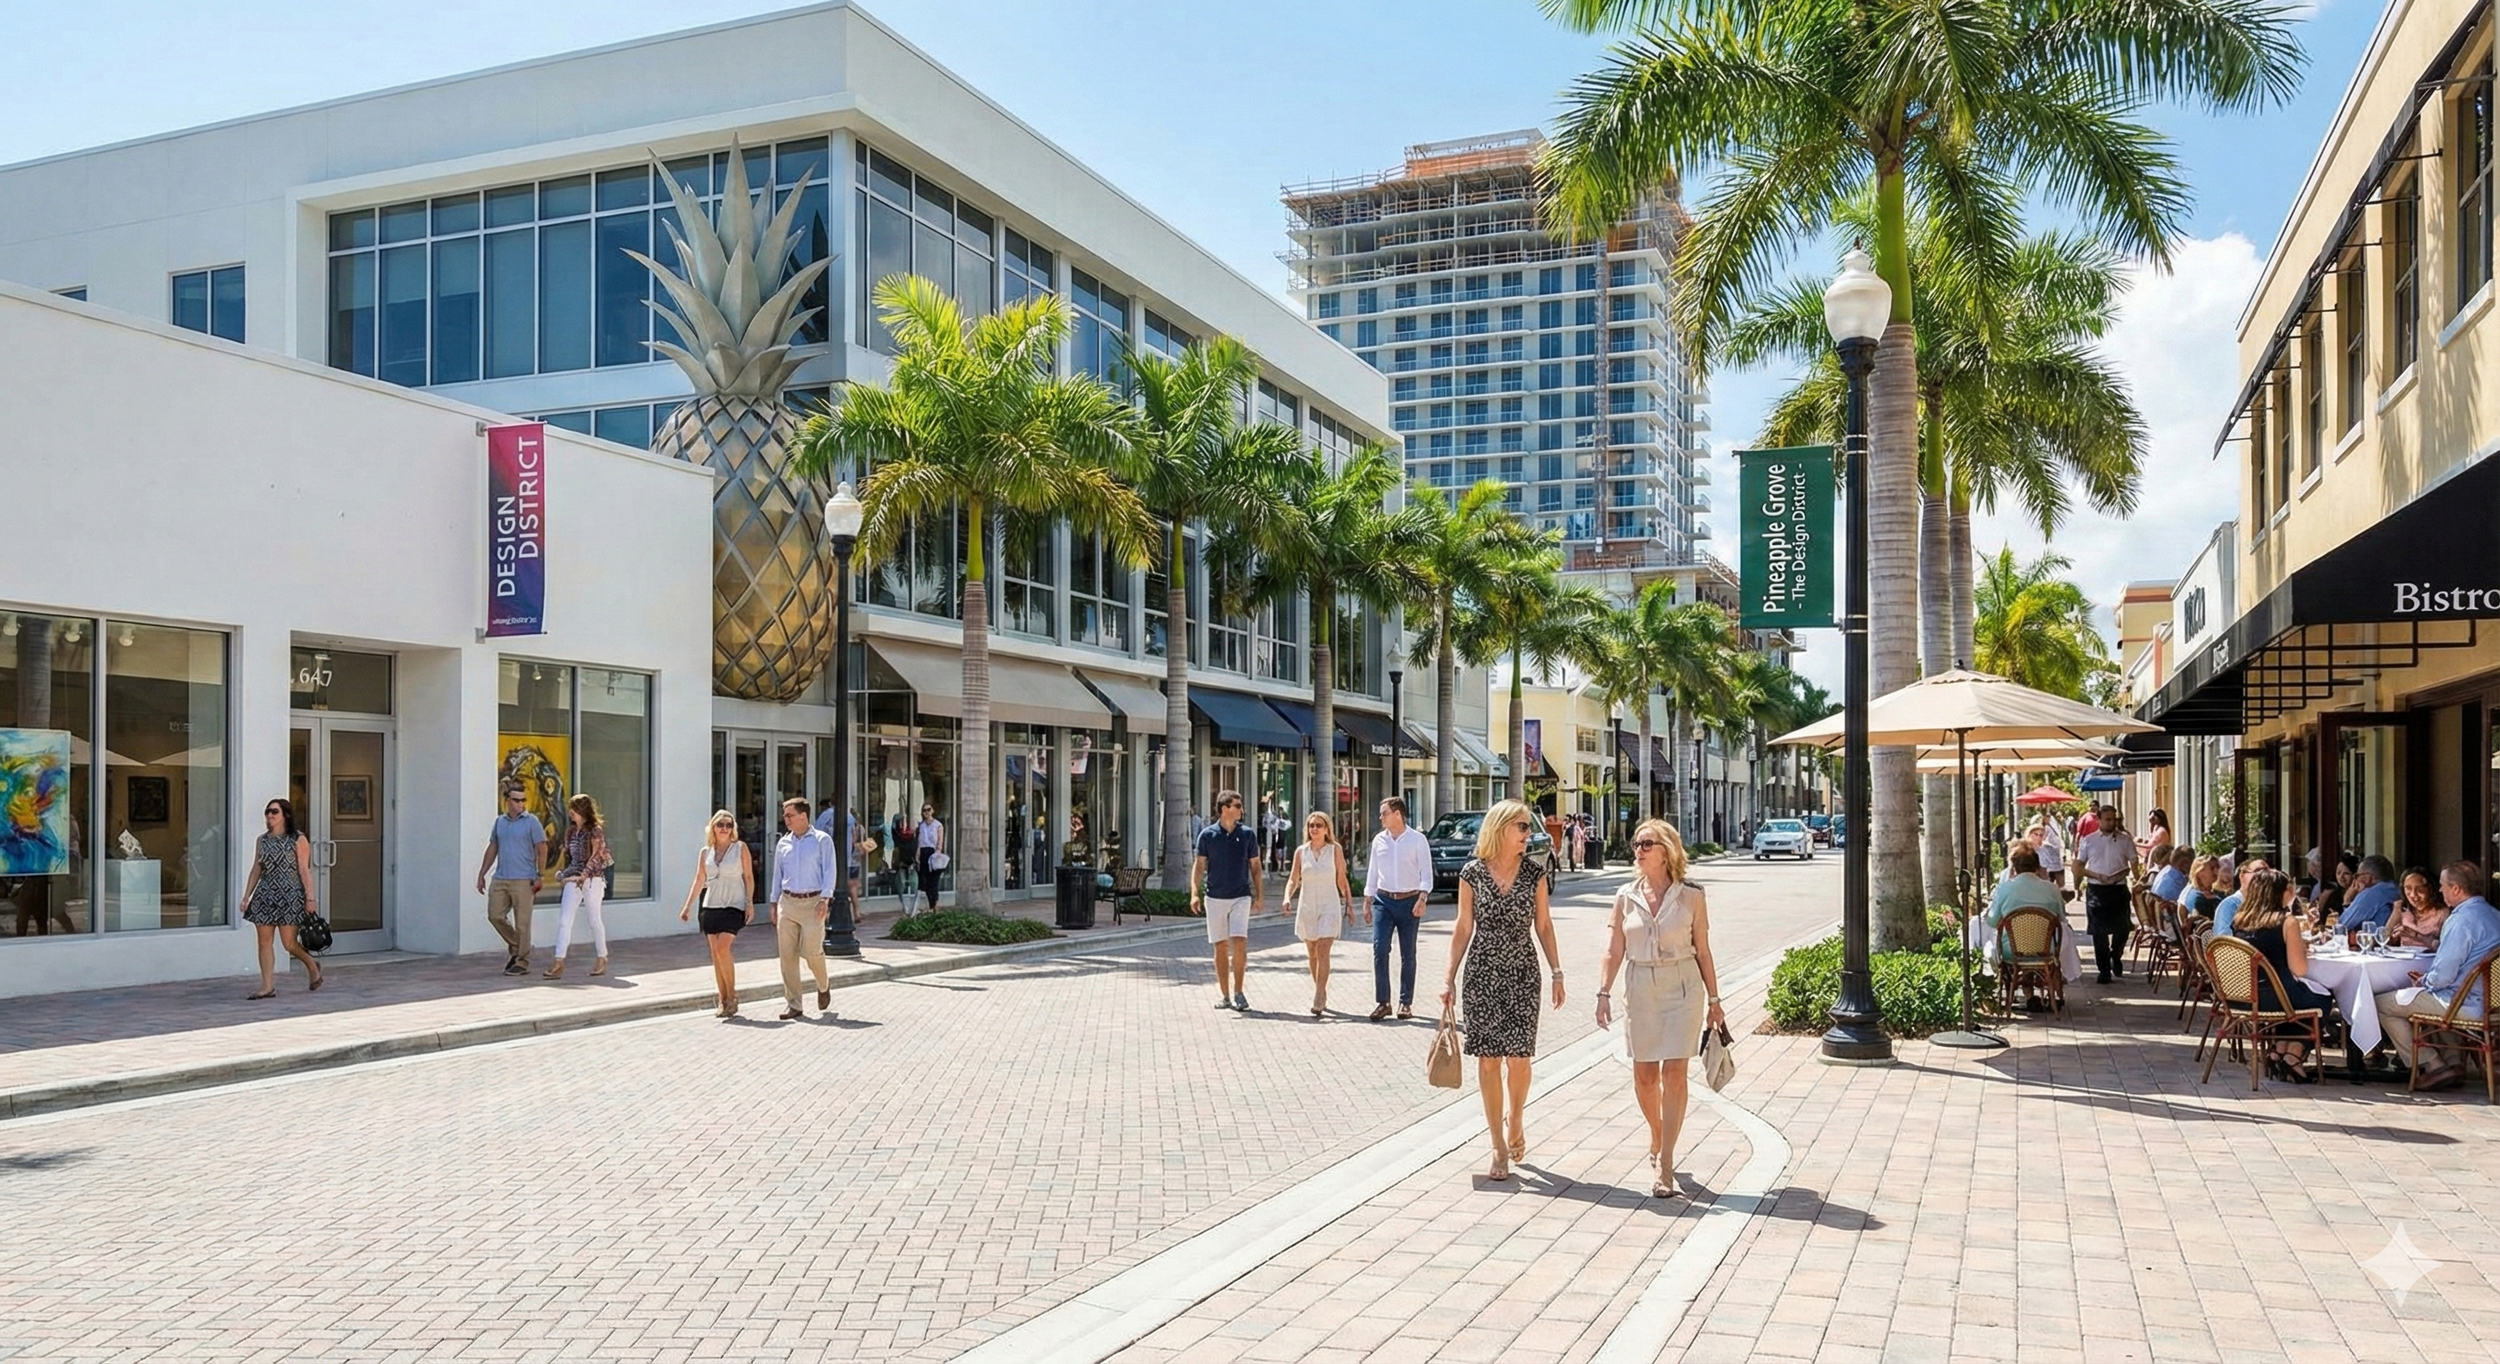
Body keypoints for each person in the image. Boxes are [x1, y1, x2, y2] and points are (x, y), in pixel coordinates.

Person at [1593, 818, 1722, 1198]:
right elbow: (1613, 949)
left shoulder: (1692, 896)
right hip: (1640, 986)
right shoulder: (1624, 895)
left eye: (1647, 843)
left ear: (1666, 850)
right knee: (1646, 1076)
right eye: (1637, 843)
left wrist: (1715, 1001)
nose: (1639, 850)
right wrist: (1603, 992)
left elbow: (1703, 949)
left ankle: (1665, 1163)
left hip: (1682, 987)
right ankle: (1657, 1132)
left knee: (1676, 1073)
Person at [1439, 799, 1563, 1183]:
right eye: (1523, 827)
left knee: (1520, 1059)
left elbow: (1543, 925)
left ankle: (1517, 1118)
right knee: (1489, 1059)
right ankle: (1496, 1144)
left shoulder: (1534, 874)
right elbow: (1463, 928)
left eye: (1529, 828)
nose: (1530, 834)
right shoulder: (1472, 873)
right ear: (1502, 829)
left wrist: (1557, 971)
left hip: (1524, 972)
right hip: (1482, 972)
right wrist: (1448, 979)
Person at [2372, 862, 2500, 1089]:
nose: (2440, 891)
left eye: (2442, 886)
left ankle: (2433, 1064)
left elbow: (2443, 975)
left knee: (2380, 1003)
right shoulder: (2494, 915)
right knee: (2430, 997)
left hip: (2465, 1004)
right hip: (2492, 1004)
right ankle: (2453, 1063)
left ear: (2457, 889)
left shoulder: (2460, 920)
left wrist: (2424, 981)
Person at [2232, 868, 2337, 1081]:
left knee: (2296, 1000)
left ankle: (2278, 1049)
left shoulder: (2240, 920)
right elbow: (2299, 969)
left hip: (2243, 996)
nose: (2294, 892)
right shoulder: (2287, 922)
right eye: (2290, 888)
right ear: (2279, 892)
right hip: (2276, 995)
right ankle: (2294, 1054)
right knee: (2322, 999)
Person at [240, 797, 323, 999]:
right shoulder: (262, 840)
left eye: (274, 811)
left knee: (289, 943)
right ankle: (267, 986)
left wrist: (310, 898)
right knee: (264, 942)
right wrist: (246, 896)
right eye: (267, 811)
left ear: (285, 814)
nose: (269, 815)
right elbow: (257, 868)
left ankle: (312, 965)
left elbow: (305, 870)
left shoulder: (297, 839)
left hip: (290, 893)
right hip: (265, 894)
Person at [679, 810, 755, 1017]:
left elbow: (748, 876)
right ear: (713, 827)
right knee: (715, 953)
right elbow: (699, 880)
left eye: (729, 825)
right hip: (711, 904)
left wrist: (749, 903)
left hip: (734, 903)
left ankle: (732, 996)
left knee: (723, 948)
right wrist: (687, 906)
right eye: (720, 824)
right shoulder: (706, 852)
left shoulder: (740, 848)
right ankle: (723, 1000)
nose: (724, 828)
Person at [1191, 790, 1262, 1011]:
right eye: (1237, 806)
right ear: (1224, 808)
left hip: (1241, 896)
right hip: (1214, 897)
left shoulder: (1248, 835)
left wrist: (1259, 896)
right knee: (1220, 946)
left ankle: (1239, 992)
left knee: (1239, 942)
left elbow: (1256, 867)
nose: (1242, 809)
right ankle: (1225, 995)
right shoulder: (1207, 835)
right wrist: (1194, 893)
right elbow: (1199, 866)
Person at [1366, 796, 1434, 1020]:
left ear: (1398, 814)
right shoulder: (1379, 841)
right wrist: (1367, 901)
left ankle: (1405, 1003)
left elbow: (1426, 872)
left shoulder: (1417, 840)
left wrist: (1422, 898)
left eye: (1384, 813)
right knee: (1380, 948)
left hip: (1409, 900)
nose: (1380, 817)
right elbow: (1373, 872)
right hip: (1383, 901)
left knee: (1408, 953)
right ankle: (1383, 1002)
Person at [770, 796, 837, 1021]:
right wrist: (773, 902)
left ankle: (823, 984)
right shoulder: (783, 843)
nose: (785, 819)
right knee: (787, 956)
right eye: (784, 815)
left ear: (803, 816)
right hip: (787, 903)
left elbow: (830, 871)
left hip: (813, 903)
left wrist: (825, 899)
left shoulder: (822, 840)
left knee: (811, 951)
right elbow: (777, 875)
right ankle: (794, 1005)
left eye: (789, 815)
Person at [1283, 810, 1354, 1017]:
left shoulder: (1335, 850)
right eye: (1311, 825)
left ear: (1326, 829)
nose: (1314, 829)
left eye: (1319, 825)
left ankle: (1319, 995)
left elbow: (1342, 879)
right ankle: (1319, 988)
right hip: (1307, 906)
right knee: (1312, 951)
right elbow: (1293, 879)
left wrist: (1349, 904)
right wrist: (1287, 897)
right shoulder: (1300, 852)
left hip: (1329, 905)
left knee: (1323, 949)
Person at [475, 783, 547, 975]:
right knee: (495, 915)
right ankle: (519, 947)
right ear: (507, 801)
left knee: (523, 923)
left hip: (524, 879)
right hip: (501, 878)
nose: (521, 804)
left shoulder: (532, 822)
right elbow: (493, 848)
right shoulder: (500, 822)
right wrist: (482, 873)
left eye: (523, 800)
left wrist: (540, 875)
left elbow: (542, 848)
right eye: (516, 800)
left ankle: (522, 961)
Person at [1987, 847, 2070, 1010]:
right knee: (2057, 948)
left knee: (1992, 949)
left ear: (2014, 868)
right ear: (2037, 867)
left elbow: (1992, 921)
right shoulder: (2051, 889)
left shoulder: (2005, 888)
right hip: (2046, 949)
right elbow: (2061, 917)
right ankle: (2052, 995)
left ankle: (2027, 994)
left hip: (2011, 949)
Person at [543, 794, 613, 979]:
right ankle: (558, 961)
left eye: (573, 808)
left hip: (592, 880)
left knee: (593, 920)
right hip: (574, 879)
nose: (570, 813)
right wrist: (564, 874)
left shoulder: (595, 831)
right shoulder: (571, 832)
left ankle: (602, 956)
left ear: (582, 810)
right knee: (564, 920)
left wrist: (584, 875)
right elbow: (571, 860)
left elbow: (597, 856)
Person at [2076, 805, 2138, 983]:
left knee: (2123, 928)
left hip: (2118, 888)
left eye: (2114, 819)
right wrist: (2094, 876)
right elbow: (2079, 866)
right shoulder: (2088, 840)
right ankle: (2103, 970)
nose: (2111, 823)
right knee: (2099, 932)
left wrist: (2134, 876)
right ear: (2100, 820)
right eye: (2108, 819)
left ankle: (2115, 955)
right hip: (2097, 889)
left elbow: (2133, 862)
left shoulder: (2125, 840)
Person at [2335, 855, 2400, 938]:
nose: (2355, 880)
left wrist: (2347, 900)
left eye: (2357, 876)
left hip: (2374, 944)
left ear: (2368, 877)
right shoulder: (2396, 889)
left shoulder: (2372, 893)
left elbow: (2342, 925)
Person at [2390, 868, 2449, 950]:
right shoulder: (2401, 908)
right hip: (2404, 961)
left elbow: (2446, 948)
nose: (2413, 895)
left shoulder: (2442, 913)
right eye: (2408, 888)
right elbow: (2385, 940)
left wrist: (2416, 935)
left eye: (2420, 890)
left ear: (2431, 890)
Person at [2212, 858, 2269, 937]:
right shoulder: (2230, 906)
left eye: (2267, 872)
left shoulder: (2268, 905)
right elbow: (2223, 942)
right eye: (2258, 871)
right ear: (2242, 876)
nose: (2263, 876)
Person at [914, 804, 945, 912]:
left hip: (933, 852)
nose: (926, 812)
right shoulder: (921, 825)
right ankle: (931, 904)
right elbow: (920, 841)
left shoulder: (938, 825)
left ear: (932, 811)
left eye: (928, 810)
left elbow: (940, 840)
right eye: (924, 810)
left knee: (933, 880)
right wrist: (917, 854)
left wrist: (938, 852)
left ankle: (935, 904)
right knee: (925, 880)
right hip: (923, 851)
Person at [2181, 855, 2223, 920]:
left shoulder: (2211, 891)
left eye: (2217, 867)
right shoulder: (2197, 898)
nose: (2216, 871)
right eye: (2212, 868)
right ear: (2199, 872)